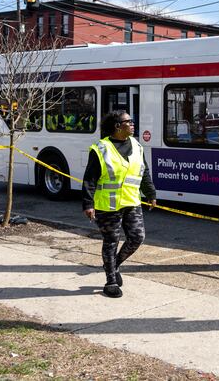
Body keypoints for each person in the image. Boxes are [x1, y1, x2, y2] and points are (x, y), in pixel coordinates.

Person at [82, 110, 156, 298]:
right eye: (128, 121)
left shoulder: (137, 146)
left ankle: (113, 265)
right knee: (111, 242)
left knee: (137, 237)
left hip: (132, 201)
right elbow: (89, 179)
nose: (133, 124)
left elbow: (144, 171)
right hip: (107, 205)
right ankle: (111, 281)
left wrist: (150, 193)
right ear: (117, 126)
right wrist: (88, 204)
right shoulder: (101, 148)